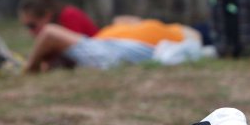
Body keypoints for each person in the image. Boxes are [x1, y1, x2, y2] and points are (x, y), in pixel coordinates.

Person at [23, 16, 203, 73]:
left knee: (50, 33)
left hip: (109, 51)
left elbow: (194, 38)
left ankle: (27, 71)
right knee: (52, 45)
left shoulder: (182, 36)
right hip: (106, 46)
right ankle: (38, 66)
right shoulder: (163, 29)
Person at [18, 0, 99, 37]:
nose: (31, 32)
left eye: (32, 26)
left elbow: (75, 50)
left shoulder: (69, 15)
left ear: (47, 15)